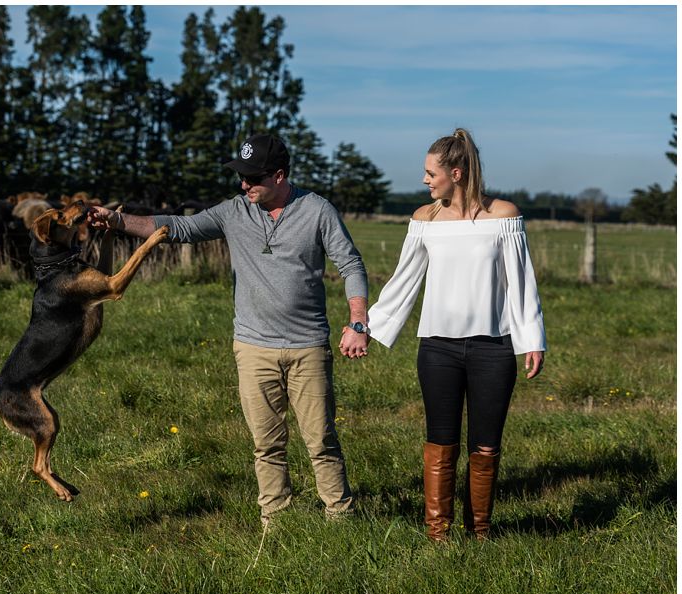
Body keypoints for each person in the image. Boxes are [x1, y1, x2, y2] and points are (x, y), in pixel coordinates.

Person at [87, 133, 371, 527]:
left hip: (308, 346)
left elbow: (351, 265)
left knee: (321, 441)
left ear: (278, 175)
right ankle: (276, 519)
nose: (243, 184)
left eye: (252, 178)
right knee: (266, 443)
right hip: (253, 348)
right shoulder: (234, 211)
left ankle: (339, 519)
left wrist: (358, 322)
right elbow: (178, 227)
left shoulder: (317, 210)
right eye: (241, 176)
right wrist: (118, 221)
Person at [366, 128, 546, 541]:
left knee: (485, 446)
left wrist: (531, 337)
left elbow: (521, 283)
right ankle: (438, 535)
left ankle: (479, 532)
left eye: (431, 173)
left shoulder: (503, 217)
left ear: (458, 173)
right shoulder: (424, 220)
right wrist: (366, 326)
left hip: (493, 349)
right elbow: (403, 282)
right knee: (441, 441)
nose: (425, 180)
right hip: (438, 349)